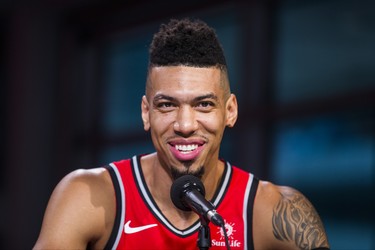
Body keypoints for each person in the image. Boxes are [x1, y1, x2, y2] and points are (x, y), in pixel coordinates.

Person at [33, 18, 330, 250]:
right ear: (146, 113)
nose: (185, 125)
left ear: (230, 111)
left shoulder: (275, 210)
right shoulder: (90, 197)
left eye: (203, 104)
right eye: (166, 105)